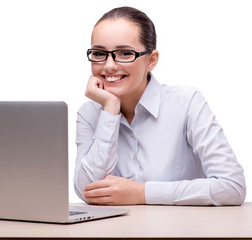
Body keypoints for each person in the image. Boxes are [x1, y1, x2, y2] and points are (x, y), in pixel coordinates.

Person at [74, 6, 246, 206]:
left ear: (152, 60)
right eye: (99, 53)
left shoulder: (187, 103)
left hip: (181, 232)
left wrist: (143, 193)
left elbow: (232, 187)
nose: (109, 65)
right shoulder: (90, 113)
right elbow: (88, 191)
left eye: (124, 53)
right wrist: (110, 109)